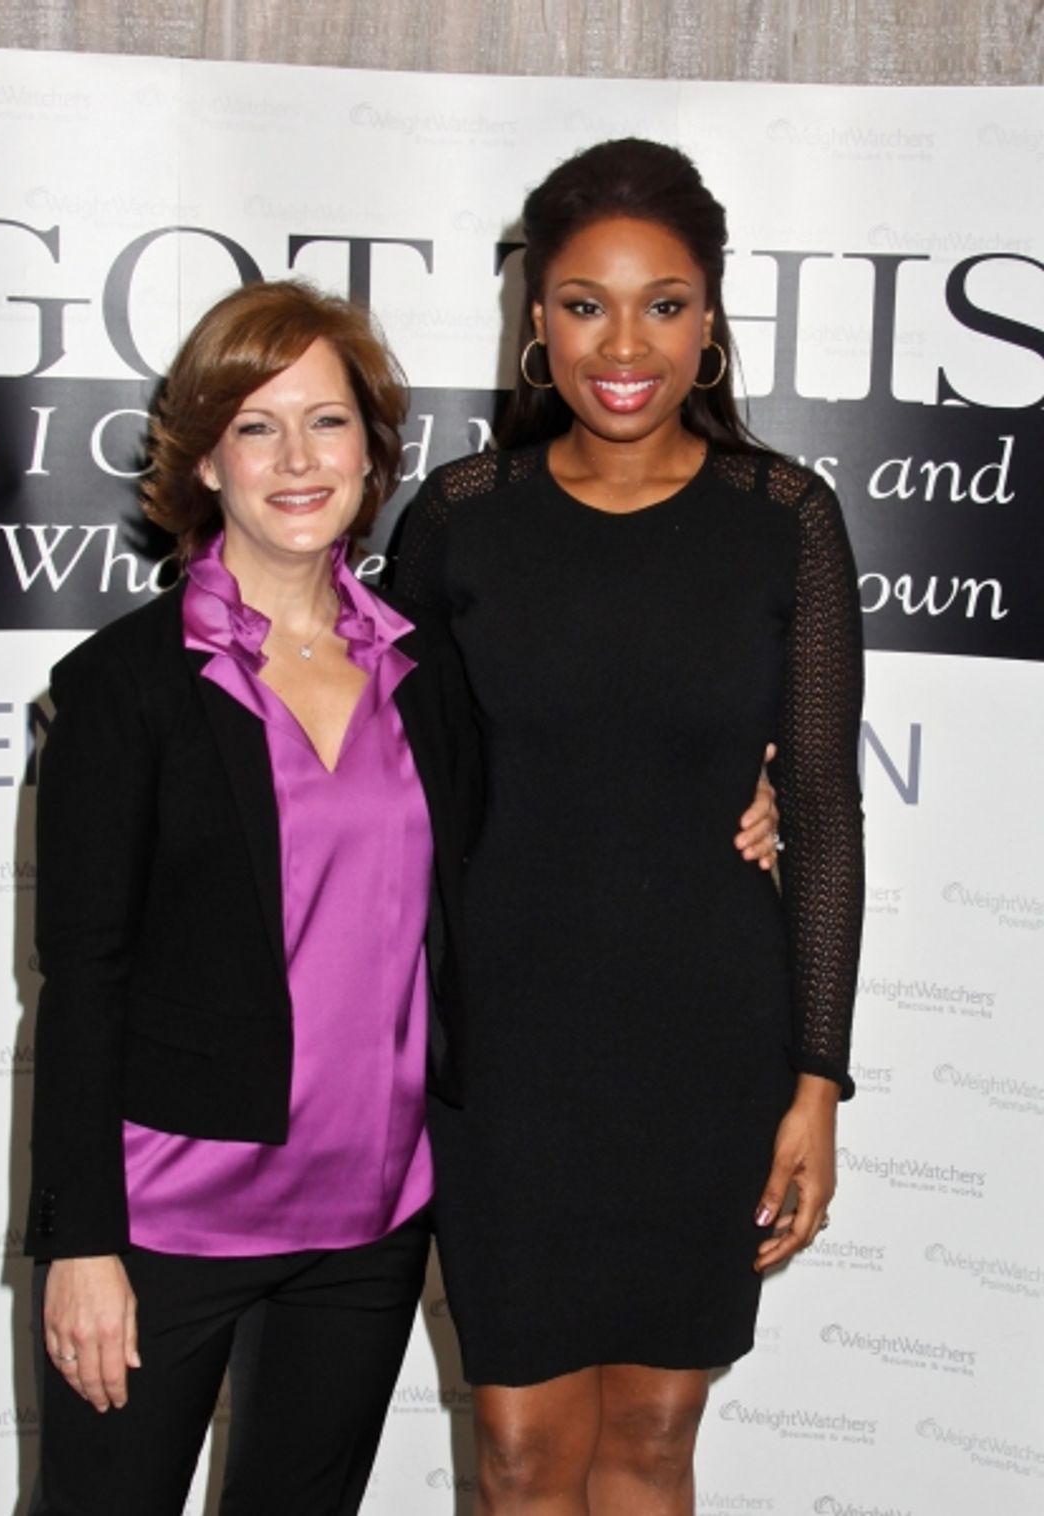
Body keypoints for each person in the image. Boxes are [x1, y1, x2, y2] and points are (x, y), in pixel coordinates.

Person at [23, 277, 781, 1516]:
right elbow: (80, 979)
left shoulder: (423, 673)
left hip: (372, 1224)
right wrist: (78, 1242)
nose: (295, 459)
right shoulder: (124, 687)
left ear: (373, 453)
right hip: (167, 1222)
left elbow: (563, 798)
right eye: (255, 426)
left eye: (327, 422)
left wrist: (762, 797)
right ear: (205, 459)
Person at [394, 138, 864, 1516]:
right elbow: (397, 779)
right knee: (523, 1455)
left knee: (655, 1445)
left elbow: (824, 812)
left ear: (711, 316)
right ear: (534, 317)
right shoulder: (462, 520)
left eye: (664, 301)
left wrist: (817, 1081)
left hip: (704, 1043)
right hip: (506, 1052)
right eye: (585, 301)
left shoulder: (783, 517)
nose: (625, 341)